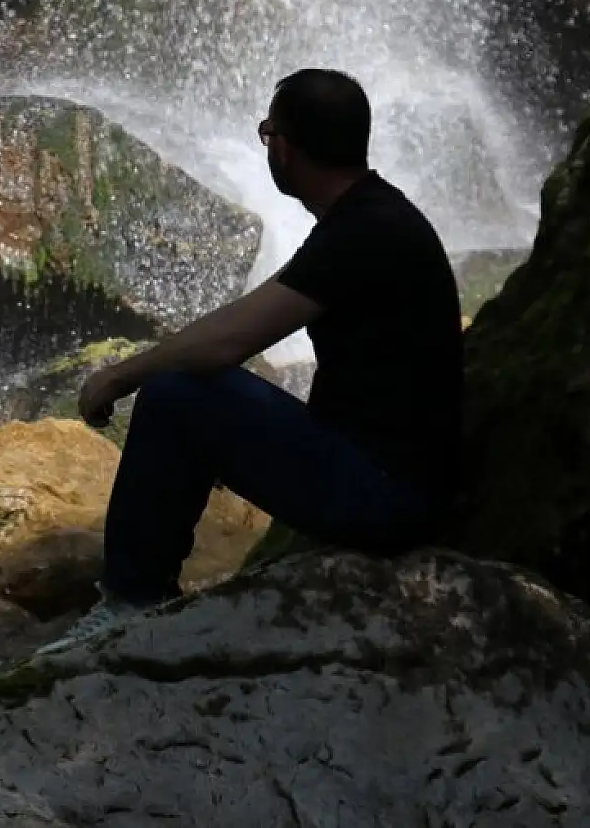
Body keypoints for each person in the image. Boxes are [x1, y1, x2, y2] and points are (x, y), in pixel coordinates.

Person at [39, 67, 463, 653]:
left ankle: (131, 603)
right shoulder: (375, 217)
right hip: (389, 479)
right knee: (191, 393)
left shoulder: (365, 233)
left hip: (385, 496)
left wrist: (119, 374)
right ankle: (140, 594)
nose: (268, 146)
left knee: (176, 396)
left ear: (285, 150)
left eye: (268, 133)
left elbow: (227, 340)